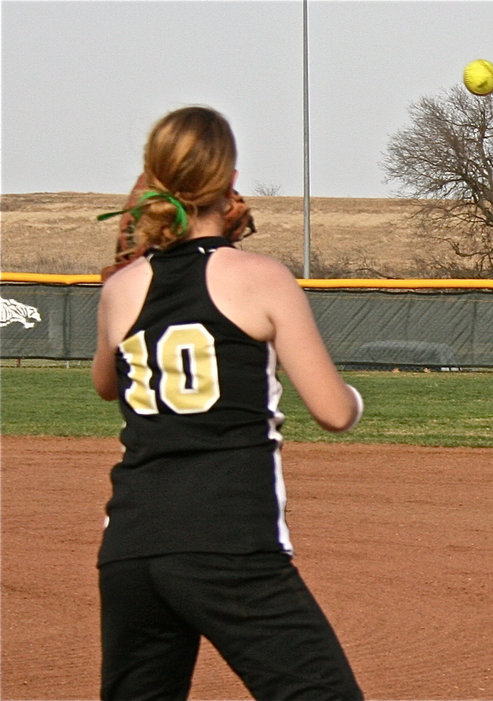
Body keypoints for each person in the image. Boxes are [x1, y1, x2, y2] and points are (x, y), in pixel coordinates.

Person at [91, 106, 365, 700]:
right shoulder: (261, 277)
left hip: (131, 545)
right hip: (226, 538)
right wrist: (356, 398)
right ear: (229, 177)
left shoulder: (120, 289)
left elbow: (106, 384)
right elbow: (334, 411)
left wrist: (130, 268)